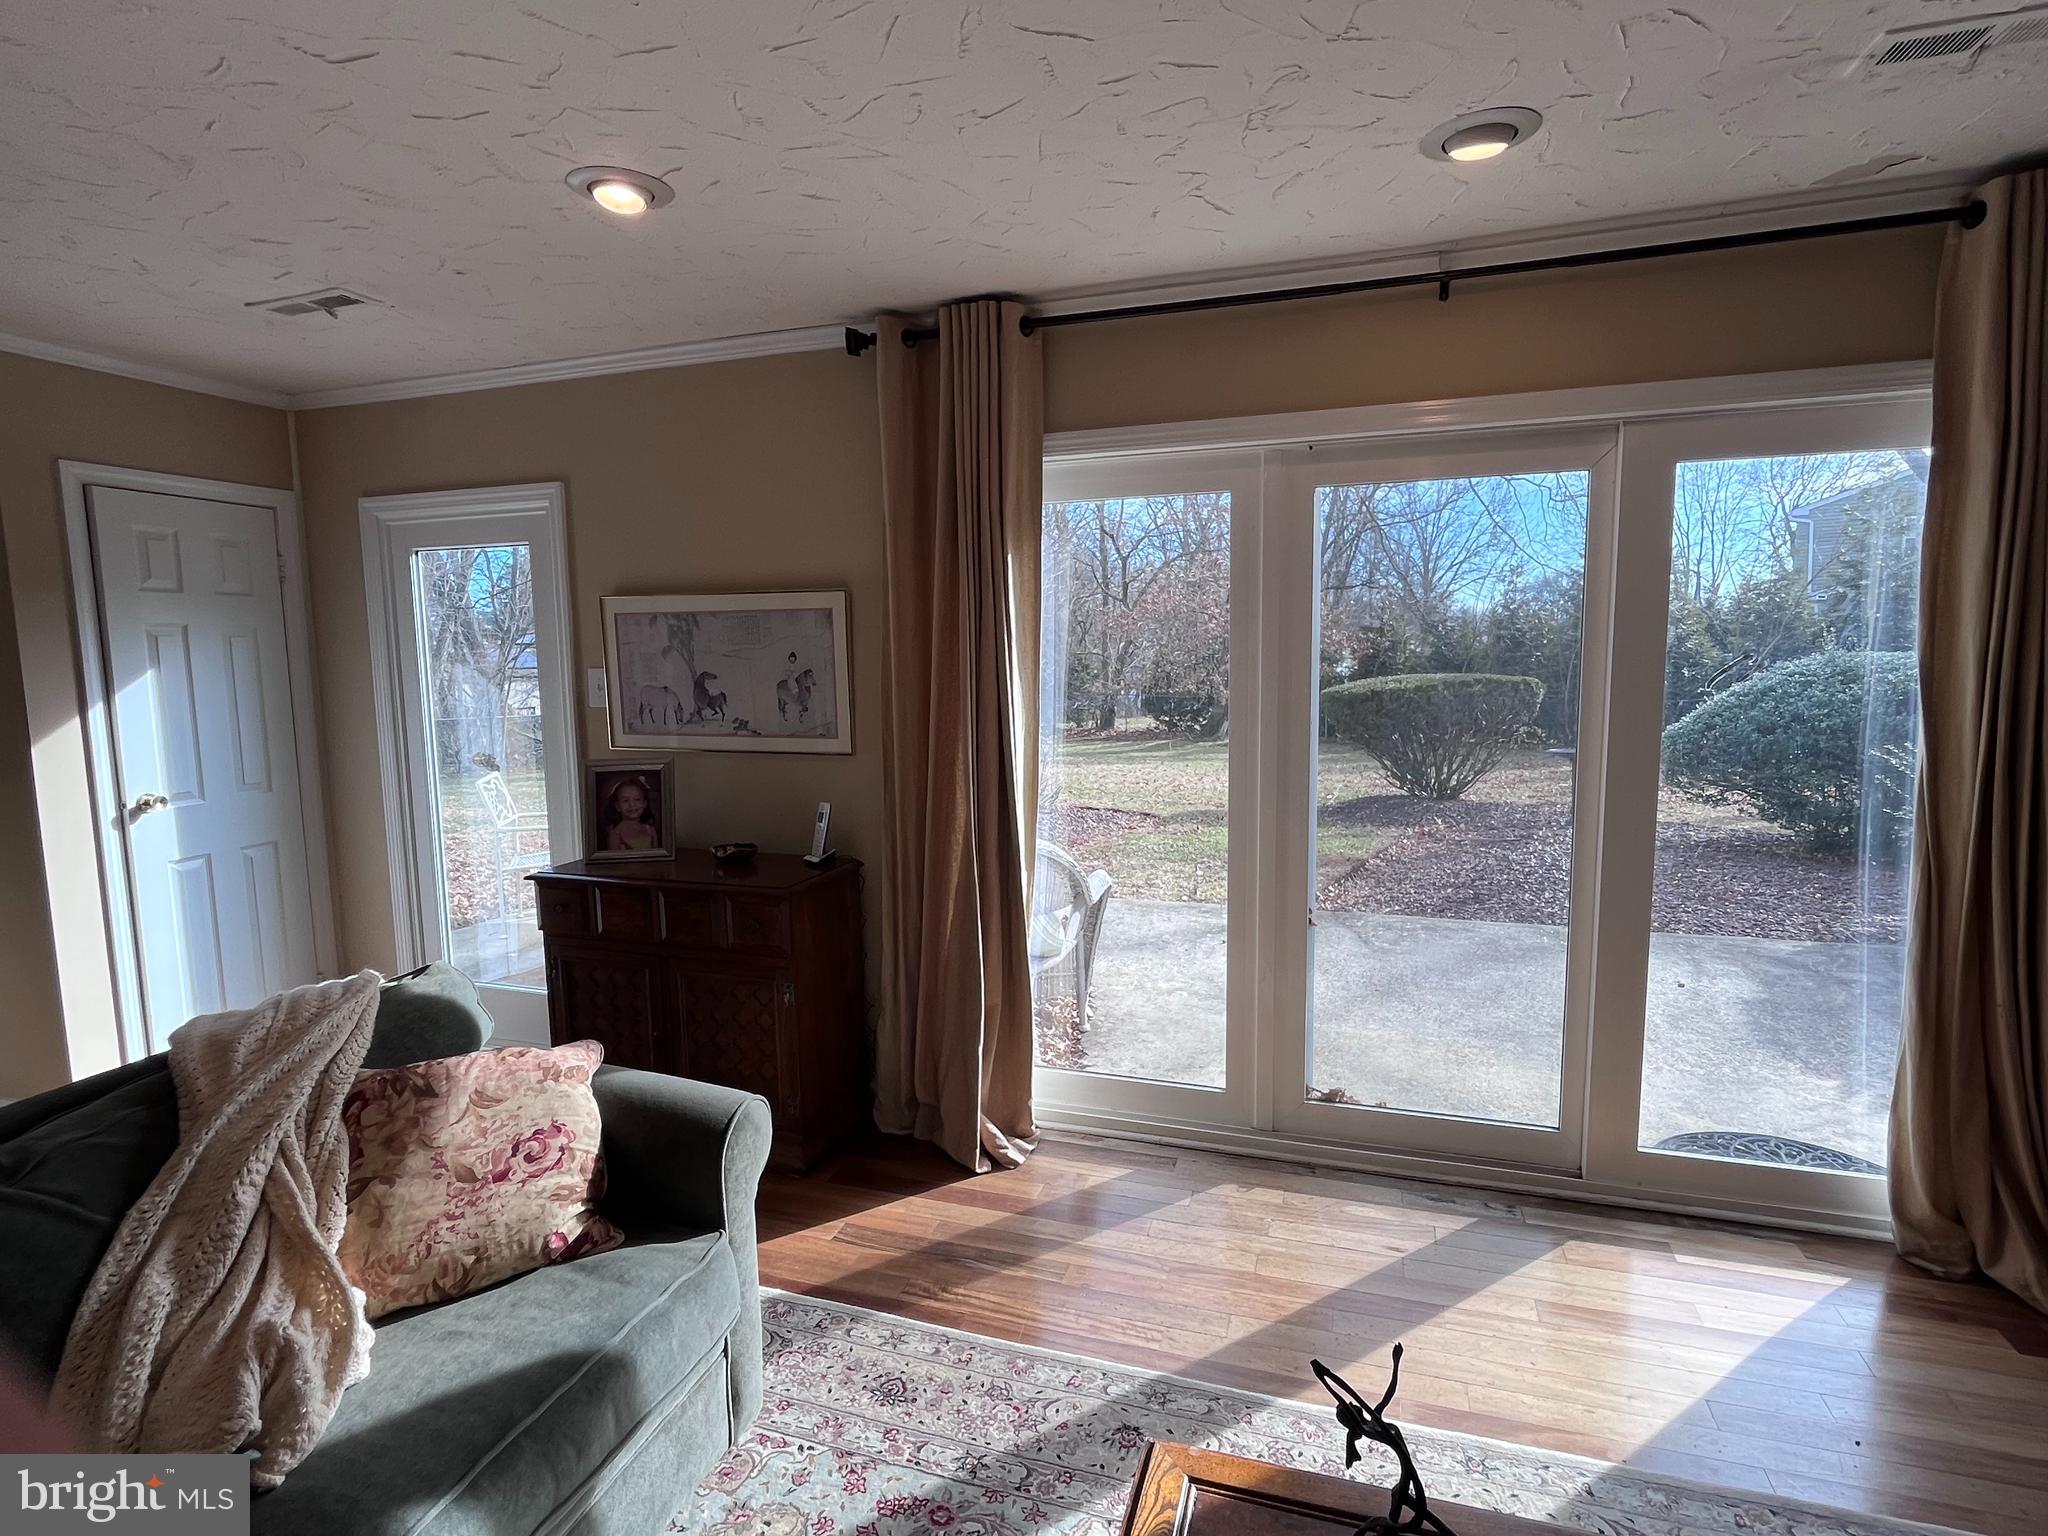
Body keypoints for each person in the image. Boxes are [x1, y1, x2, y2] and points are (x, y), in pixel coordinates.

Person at [601, 775, 660, 853]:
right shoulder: (615, 835)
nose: (632, 805)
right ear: (617, 806)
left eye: (637, 799)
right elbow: (613, 863)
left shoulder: (650, 830)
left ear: (645, 803)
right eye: (625, 800)